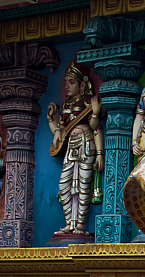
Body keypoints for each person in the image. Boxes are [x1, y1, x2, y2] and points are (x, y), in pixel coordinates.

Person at [47, 61, 104, 235]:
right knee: (64, 186)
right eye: (66, 82)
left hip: (87, 145)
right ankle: (68, 224)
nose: (67, 86)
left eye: (71, 82)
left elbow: (95, 127)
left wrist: (94, 111)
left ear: (82, 84)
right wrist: (52, 120)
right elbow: (60, 131)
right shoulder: (66, 105)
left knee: (83, 186)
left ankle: (79, 226)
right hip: (70, 147)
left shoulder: (88, 101)